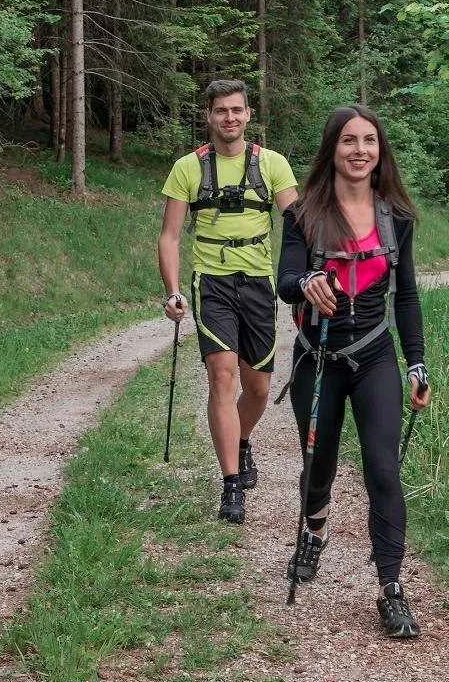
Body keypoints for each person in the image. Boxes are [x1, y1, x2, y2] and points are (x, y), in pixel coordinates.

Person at [276, 105, 431, 638]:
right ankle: (314, 533)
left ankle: (390, 587)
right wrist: (308, 283)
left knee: (383, 469)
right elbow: (285, 280)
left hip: (373, 355)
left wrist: (417, 363)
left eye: (369, 141)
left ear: (379, 150)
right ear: (332, 149)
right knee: (319, 468)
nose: (360, 150)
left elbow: (406, 295)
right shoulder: (302, 213)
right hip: (315, 359)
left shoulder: (398, 217)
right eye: (348, 141)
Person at [157, 80, 298, 524]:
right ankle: (231, 486)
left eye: (236, 110)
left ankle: (241, 440)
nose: (229, 118)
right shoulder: (188, 168)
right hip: (212, 283)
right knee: (223, 377)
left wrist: (306, 279)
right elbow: (170, 236)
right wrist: (173, 290)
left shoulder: (272, 164)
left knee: (257, 387)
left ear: (248, 114)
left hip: (258, 283)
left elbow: (296, 227)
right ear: (209, 116)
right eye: (221, 111)